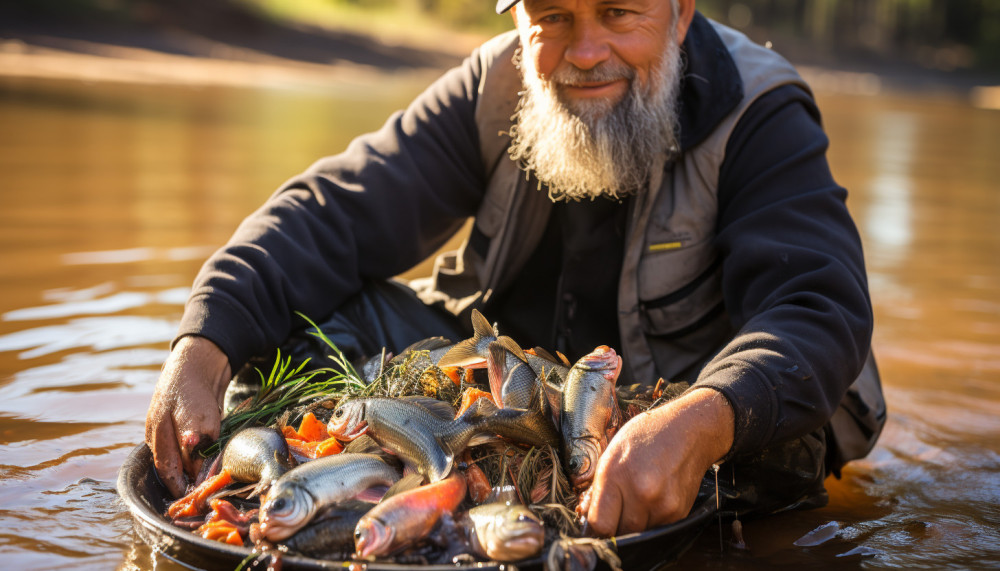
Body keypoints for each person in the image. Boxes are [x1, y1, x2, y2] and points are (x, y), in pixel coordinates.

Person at [145, 0, 886, 538]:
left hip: (678, 403)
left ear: (681, 13)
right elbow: (331, 213)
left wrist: (698, 423)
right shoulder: (493, 84)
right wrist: (203, 343)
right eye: (553, 16)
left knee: (775, 451)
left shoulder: (760, 110)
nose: (586, 50)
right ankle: (393, 494)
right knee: (284, 326)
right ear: (517, 19)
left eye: (620, 13)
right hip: (503, 390)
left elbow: (816, 307)